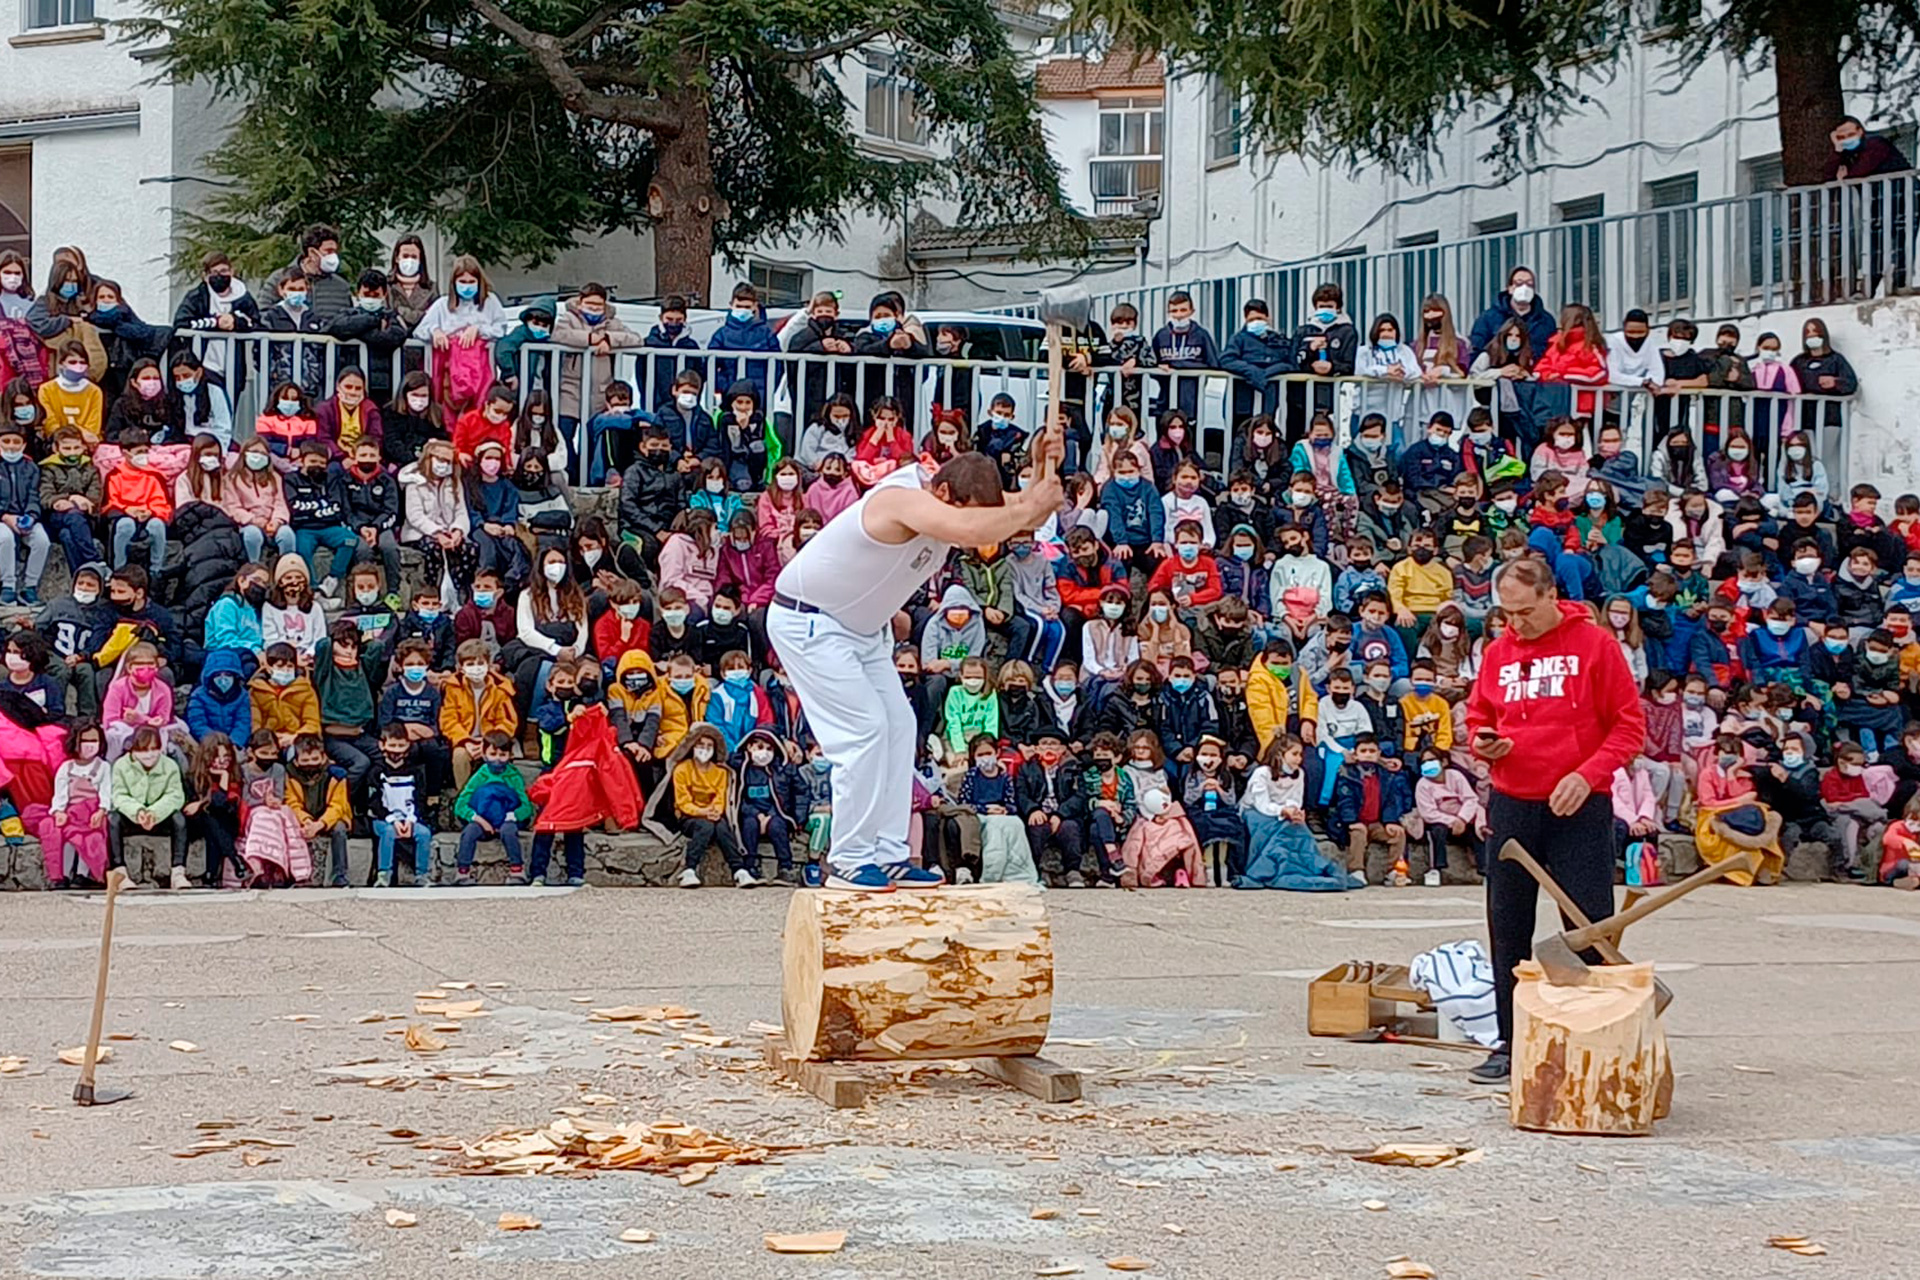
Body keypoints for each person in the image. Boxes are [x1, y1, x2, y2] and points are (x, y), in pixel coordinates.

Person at [769, 436, 1064, 890]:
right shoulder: (901, 499)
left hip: (862, 630)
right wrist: (1031, 505)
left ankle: (890, 855)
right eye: (963, 511)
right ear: (945, 495)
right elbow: (975, 528)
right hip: (810, 621)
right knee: (864, 732)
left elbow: (1025, 510)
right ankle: (848, 858)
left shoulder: (950, 500)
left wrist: (1045, 468)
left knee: (901, 727)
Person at [1463, 558, 1647, 1083]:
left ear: (1550, 597)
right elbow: (1480, 716)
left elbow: (1629, 727)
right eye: (1505, 613)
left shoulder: (1595, 646)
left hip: (1578, 804)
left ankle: (1591, 1034)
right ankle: (1509, 1040)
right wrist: (1483, 743)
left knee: (1586, 926)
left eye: (1523, 612)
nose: (1514, 624)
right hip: (1513, 801)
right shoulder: (1497, 653)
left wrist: (1587, 775)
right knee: (1508, 925)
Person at [109, 725, 190, 889]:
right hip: (132, 816)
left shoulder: (170, 766)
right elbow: (118, 795)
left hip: (160, 817)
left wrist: (154, 813)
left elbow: (175, 795)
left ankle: (178, 872)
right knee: (113, 819)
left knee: (179, 819)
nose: (149, 754)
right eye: (144, 749)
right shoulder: (120, 766)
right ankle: (120, 873)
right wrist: (138, 811)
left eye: (154, 748)